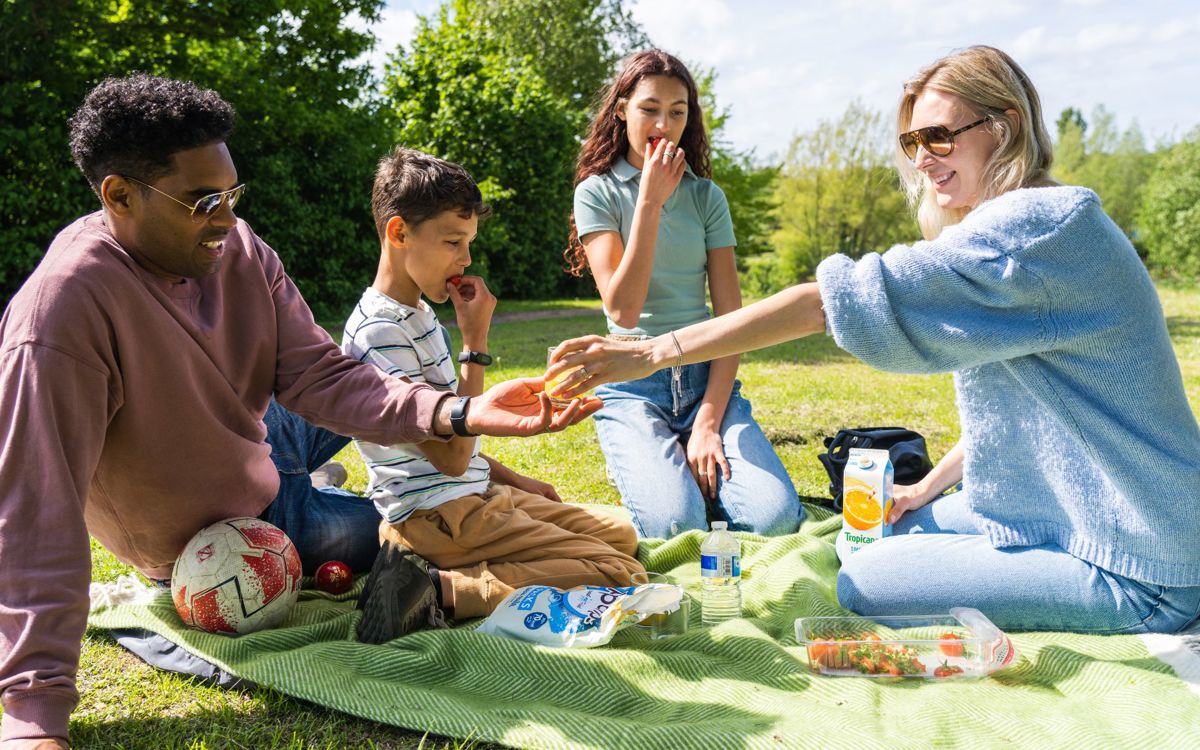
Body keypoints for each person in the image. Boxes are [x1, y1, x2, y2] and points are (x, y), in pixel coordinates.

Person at [0, 75, 597, 748]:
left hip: (258, 435)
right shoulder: (59, 315)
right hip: (233, 529)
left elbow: (323, 375)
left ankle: (316, 472)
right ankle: (318, 488)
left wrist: (460, 413)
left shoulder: (238, 249)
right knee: (410, 535)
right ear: (119, 196)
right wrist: (33, 715)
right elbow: (34, 511)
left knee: (392, 444)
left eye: (232, 194)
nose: (227, 218)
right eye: (203, 201)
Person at [549, 46, 1200, 634]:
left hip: (1141, 559)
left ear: (1002, 129)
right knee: (877, 531)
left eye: (940, 136)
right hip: (1075, 514)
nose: (922, 158)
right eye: (914, 139)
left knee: (864, 580)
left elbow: (827, 303)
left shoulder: (1033, 232)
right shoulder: (1042, 222)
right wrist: (924, 490)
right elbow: (1032, 412)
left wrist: (654, 350)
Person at [343, 148, 644, 643]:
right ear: (398, 233)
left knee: (621, 534)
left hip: (472, 497)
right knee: (619, 571)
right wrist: (475, 344)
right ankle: (441, 588)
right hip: (438, 516)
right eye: (453, 242)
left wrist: (516, 479)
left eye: (469, 243)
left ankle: (440, 568)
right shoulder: (380, 334)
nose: (466, 260)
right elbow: (453, 457)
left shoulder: (415, 315)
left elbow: (452, 442)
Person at [563, 49, 801, 540]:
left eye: (678, 111)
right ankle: (660, 471)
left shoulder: (707, 197)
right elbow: (622, 311)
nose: (663, 124)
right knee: (676, 525)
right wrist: (649, 200)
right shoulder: (596, 192)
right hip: (631, 384)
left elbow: (733, 322)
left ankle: (694, 463)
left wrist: (709, 421)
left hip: (705, 378)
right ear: (622, 109)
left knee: (774, 520)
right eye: (650, 108)